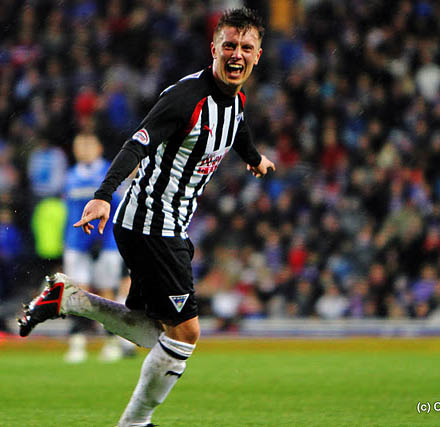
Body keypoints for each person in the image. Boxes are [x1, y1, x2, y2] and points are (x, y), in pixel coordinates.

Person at [18, 8, 275, 427]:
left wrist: (254, 158)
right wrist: (102, 196)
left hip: (167, 226)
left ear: (258, 55)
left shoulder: (235, 101)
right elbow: (135, 144)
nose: (237, 54)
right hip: (151, 225)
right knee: (185, 335)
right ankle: (134, 423)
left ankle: (69, 299)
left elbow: (238, 129)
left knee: (157, 331)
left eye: (246, 47)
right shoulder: (184, 98)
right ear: (214, 49)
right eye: (229, 45)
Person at [63, 132, 125, 362]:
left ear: (99, 148)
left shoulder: (110, 172)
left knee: (106, 292)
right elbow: (69, 212)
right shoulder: (70, 176)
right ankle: (77, 340)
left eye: (89, 144)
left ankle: (111, 341)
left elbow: (117, 207)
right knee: (79, 292)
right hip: (77, 242)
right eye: (80, 144)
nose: (85, 149)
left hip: (107, 241)